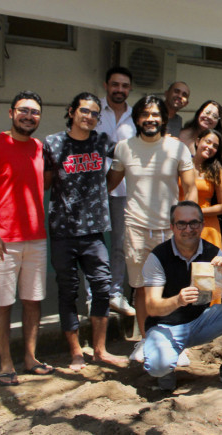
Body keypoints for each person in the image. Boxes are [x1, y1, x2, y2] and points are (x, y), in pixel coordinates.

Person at [0, 91, 54, 385]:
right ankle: (6, 363)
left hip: (36, 238)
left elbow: (43, 184)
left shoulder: (40, 149)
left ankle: (30, 357)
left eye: (35, 112)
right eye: (24, 110)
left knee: (33, 301)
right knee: (2, 303)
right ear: (11, 113)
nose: (29, 116)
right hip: (1, 241)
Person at [107, 95, 198, 361]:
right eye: (145, 115)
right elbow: (109, 183)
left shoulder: (178, 148)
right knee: (142, 288)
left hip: (171, 230)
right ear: (137, 119)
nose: (150, 119)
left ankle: (175, 343)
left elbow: (190, 187)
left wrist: (189, 223)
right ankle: (145, 340)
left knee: (173, 287)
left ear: (164, 119)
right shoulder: (123, 148)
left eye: (156, 115)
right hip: (135, 228)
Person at [43, 92, 128, 370]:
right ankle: (76, 351)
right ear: (71, 111)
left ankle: (100, 350)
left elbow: (123, 163)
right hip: (63, 231)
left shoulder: (102, 141)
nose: (90, 117)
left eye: (94, 113)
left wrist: (102, 192)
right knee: (68, 291)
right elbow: (44, 183)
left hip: (93, 232)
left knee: (102, 288)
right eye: (84, 111)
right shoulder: (53, 143)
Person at [142, 201, 222, 391]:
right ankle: (167, 370)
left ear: (202, 225)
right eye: (181, 224)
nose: (188, 229)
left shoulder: (213, 253)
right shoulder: (158, 256)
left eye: (194, 223)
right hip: (165, 327)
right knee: (158, 367)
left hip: (201, 322)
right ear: (172, 227)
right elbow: (152, 307)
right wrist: (177, 300)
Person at [97, 66, 136, 316]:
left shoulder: (136, 116)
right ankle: (96, 296)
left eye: (124, 86)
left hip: (125, 189)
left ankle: (115, 293)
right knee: (95, 246)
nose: (119, 90)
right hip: (94, 190)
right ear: (106, 85)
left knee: (121, 245)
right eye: (115, 85)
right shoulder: (93, 109)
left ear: (129, 89)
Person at [189, 128, 222, 248]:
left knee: (206, 266)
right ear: (197, 142)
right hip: (181, 225)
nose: (210, 147)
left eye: (215, 146)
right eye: (207, 141)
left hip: (206, 227)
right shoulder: (182, 164)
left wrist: (196, 213)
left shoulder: (217, 171)